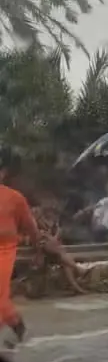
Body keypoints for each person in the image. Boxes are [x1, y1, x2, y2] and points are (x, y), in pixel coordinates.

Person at [0, 148, 41, 345]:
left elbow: (30, 226)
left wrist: (37, 249)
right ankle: (17, 325)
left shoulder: (15, 197)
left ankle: (17, 327)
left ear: (3, 173)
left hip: (4, 250)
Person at [31, 201, 88, 295]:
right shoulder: (36, 221)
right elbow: (38, 234)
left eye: (52, 212)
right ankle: (78, 269)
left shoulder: (55, 223)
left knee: (65, 263)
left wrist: (52, 237)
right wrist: (49, 237)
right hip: (41, 248)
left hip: (53, 250)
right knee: (51, 245)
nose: (51, 214)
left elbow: (57, 235)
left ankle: (76, 287)